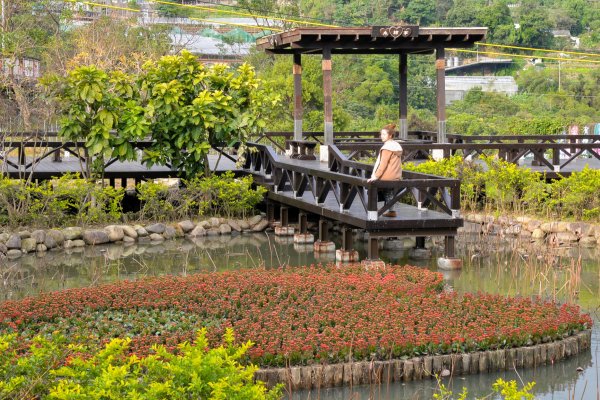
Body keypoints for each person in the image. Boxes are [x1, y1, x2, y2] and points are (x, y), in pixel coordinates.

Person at [367, 124, 403, 217]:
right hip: (395, 175)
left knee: (371, 186)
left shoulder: (387, 148)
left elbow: (382, 165)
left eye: (383, 134)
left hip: (387, 176)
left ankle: (373, 209)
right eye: (381, 134)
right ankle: (391, 211)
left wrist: (375, 176)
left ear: (390, 135)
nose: (381, 136)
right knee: (388, 191)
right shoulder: (396, 146)